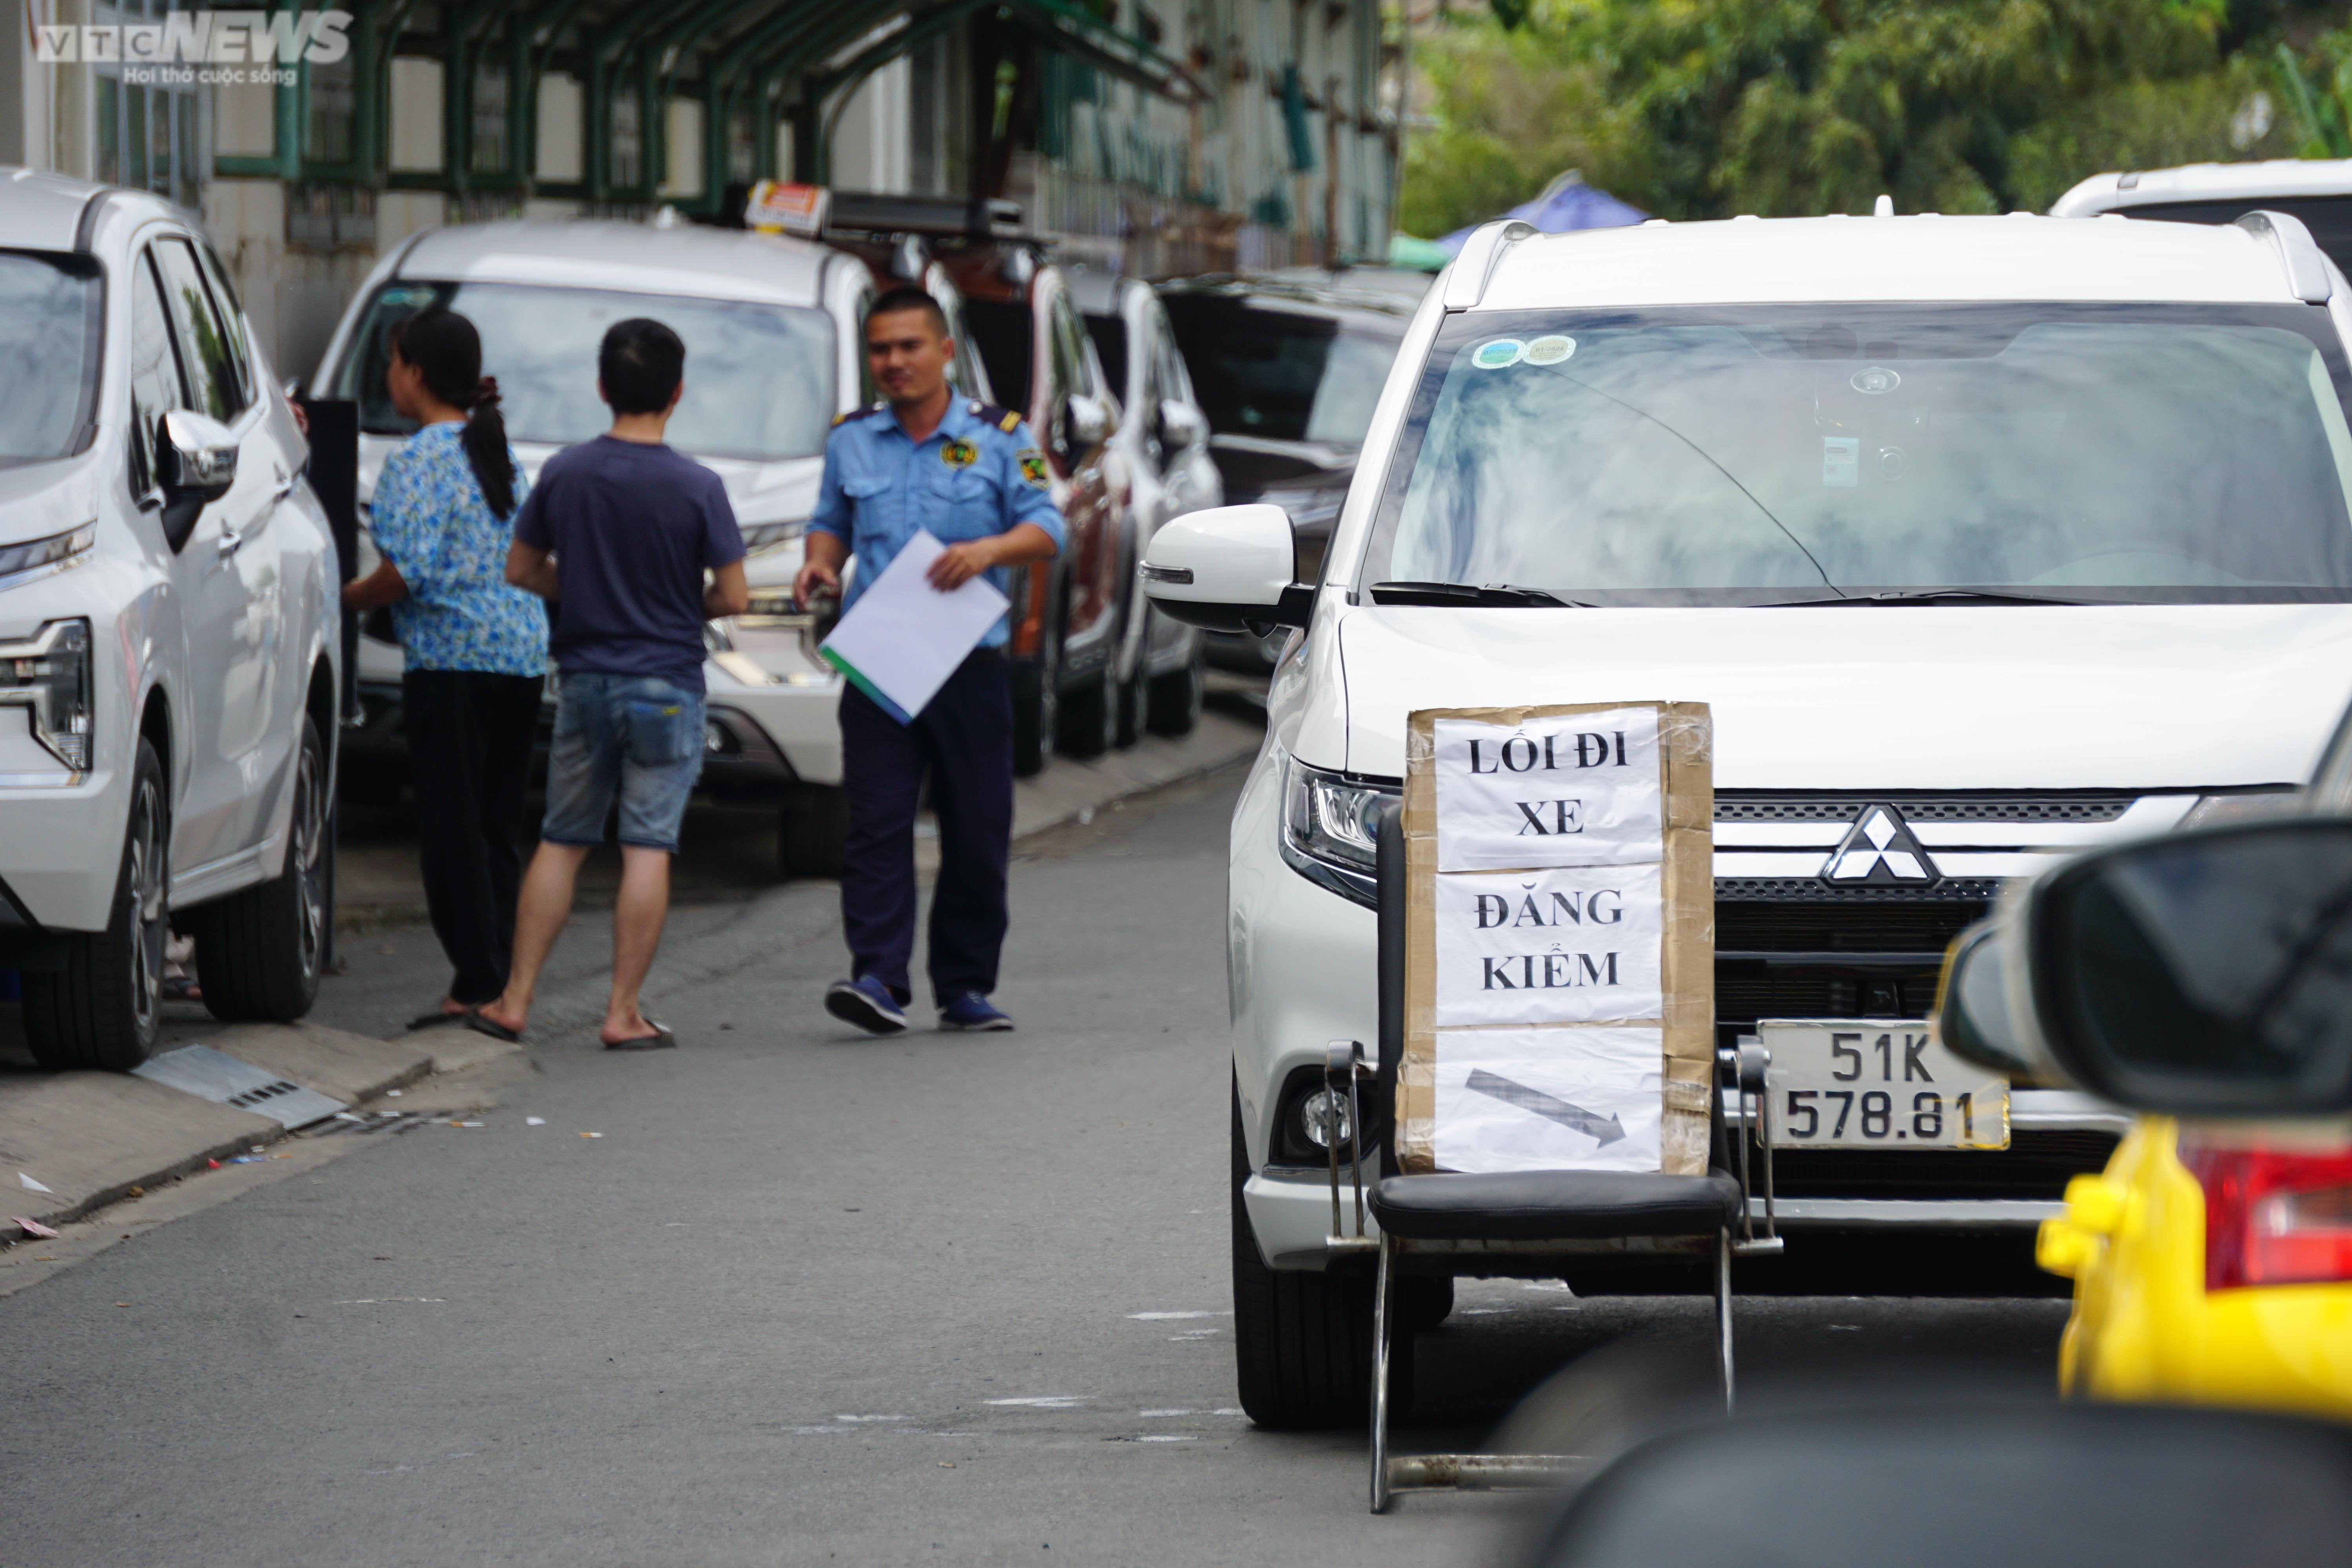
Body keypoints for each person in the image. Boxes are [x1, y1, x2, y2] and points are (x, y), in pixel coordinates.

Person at [467, 318, 749, 1050]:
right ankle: (622, 1013)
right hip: (665, 684)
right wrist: (679, 603)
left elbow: (522, 571)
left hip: (586, 680)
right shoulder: (700, 487)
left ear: (601, 388)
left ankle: (515, 1000)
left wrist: (584, 589)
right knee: (646, 846)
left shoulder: (565, 472)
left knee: (561, 839)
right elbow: (735, 596)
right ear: (678, 392)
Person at [795, 287, 1064, 1036]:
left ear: (945, 351)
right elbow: (829, 523)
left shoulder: (1000, 437)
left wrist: (988, 550)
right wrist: (821, 564)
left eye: (910, 346)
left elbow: (1049, 527)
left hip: (968, 666)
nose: (894, 362)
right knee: (876, 826)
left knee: (976, 829)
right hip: (881, 664)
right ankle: (877, 977)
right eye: (881, 349)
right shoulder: (852, 439)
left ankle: (966, 987)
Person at [340, 307, 546, 1030]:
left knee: (451, 824)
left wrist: (346, 597)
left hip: (453, 661)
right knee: (495, 822)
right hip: (519, 656)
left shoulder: (422, 456)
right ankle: (495, 973)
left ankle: (477, 980)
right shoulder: (496, 450)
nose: (390, 375)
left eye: (394, 362)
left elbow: (408, 572)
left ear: (415, 373)